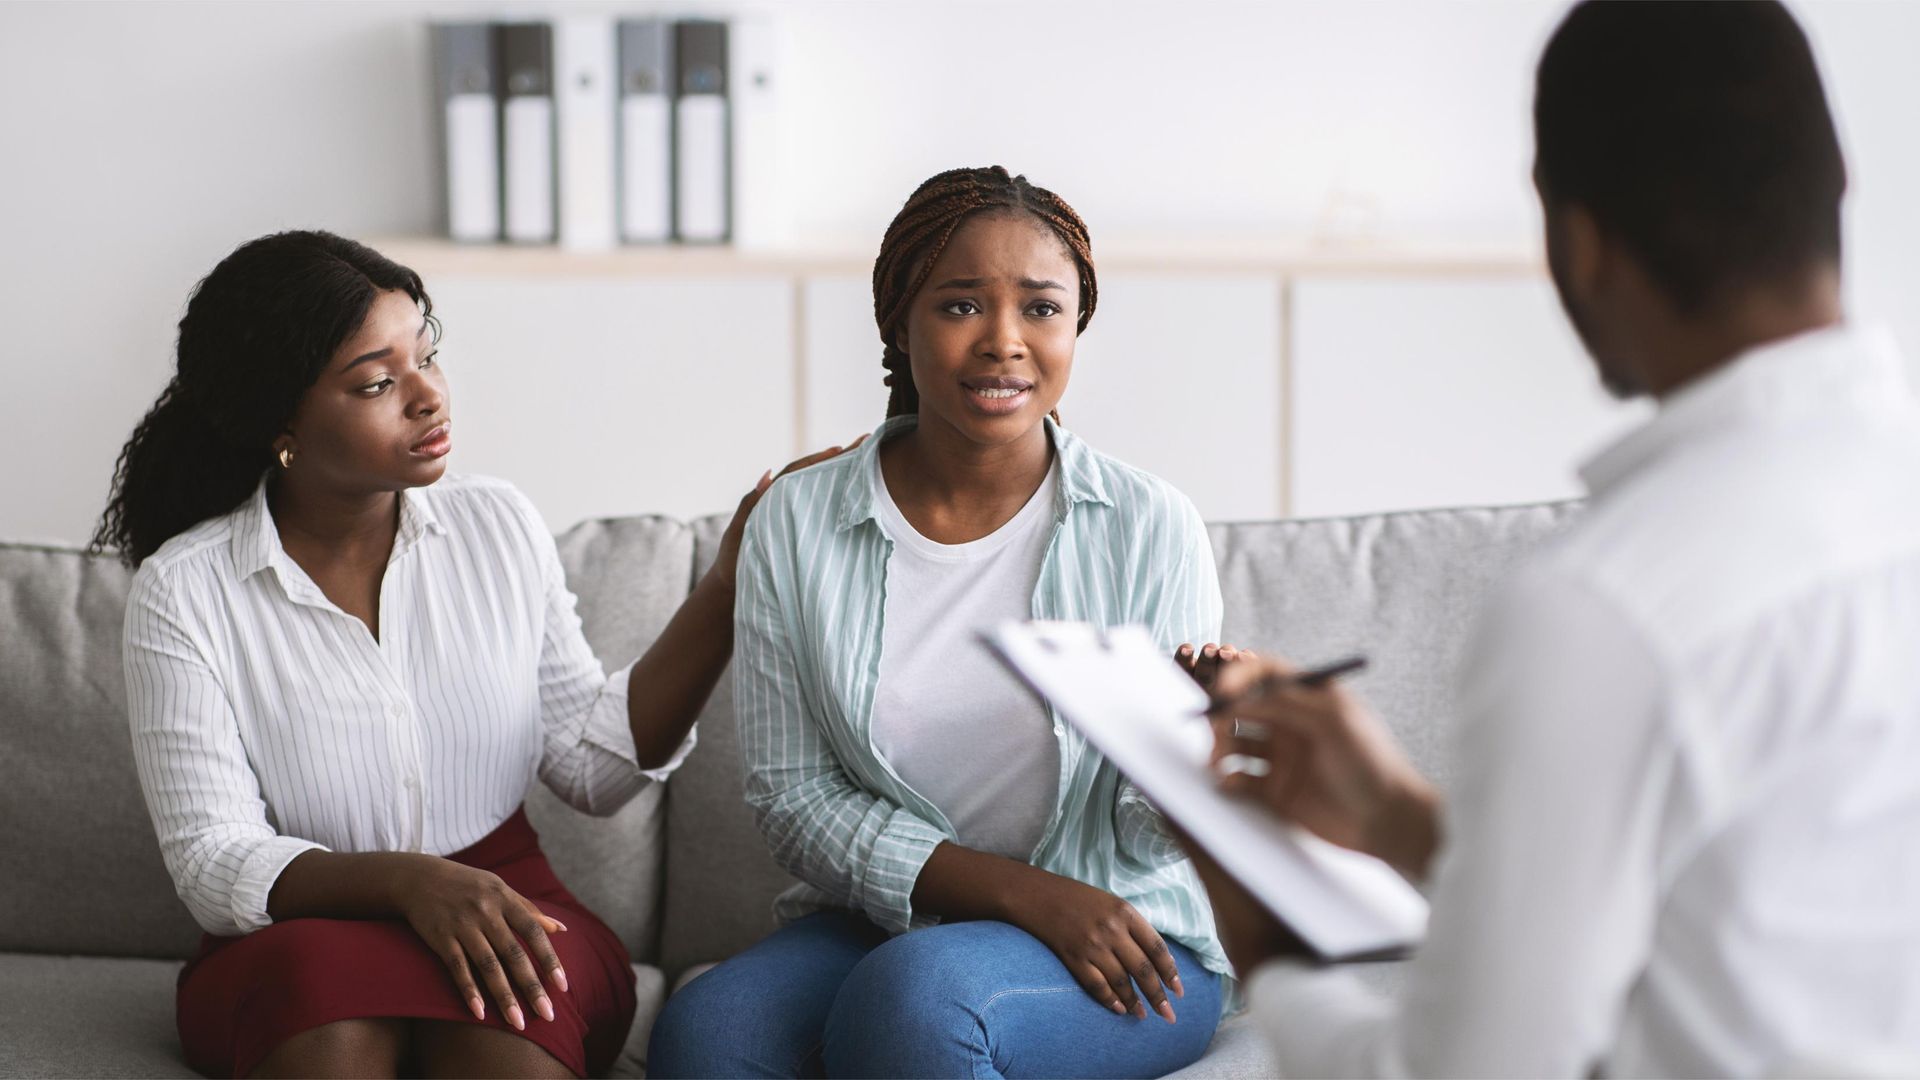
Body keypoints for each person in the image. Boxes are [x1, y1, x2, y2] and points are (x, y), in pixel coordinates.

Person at [1184, 3, 1920, 1076]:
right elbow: (1731, 918)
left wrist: (1270, 956)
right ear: (1835, 189)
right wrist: (1398, 817)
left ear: (1577, 240)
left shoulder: (1601, 606)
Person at [98, 230, 852, 1079]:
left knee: (504, 1041)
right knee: (331, 1036)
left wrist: (725, 589)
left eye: (428, 355)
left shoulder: (497, 525)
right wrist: (408, 883)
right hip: (302, 937)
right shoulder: (186, 589)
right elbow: (212, 860)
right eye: (378, 382)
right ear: (283, 422)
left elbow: (592, 768)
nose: (429, 397)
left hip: (508, 902)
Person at [647, 166, 1228, 1079]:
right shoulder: (795, 521)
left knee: (919, 1002)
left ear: (1075, 326)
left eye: (1041, 309)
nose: (1005, 342)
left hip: (1125, 930)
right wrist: (1019, 894)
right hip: (890, 921)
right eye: (961, 307)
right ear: (899, 323)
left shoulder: (1152, 525)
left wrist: (1197, 757)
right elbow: (793, 798)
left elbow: (1147, 832)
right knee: (707, 1036)